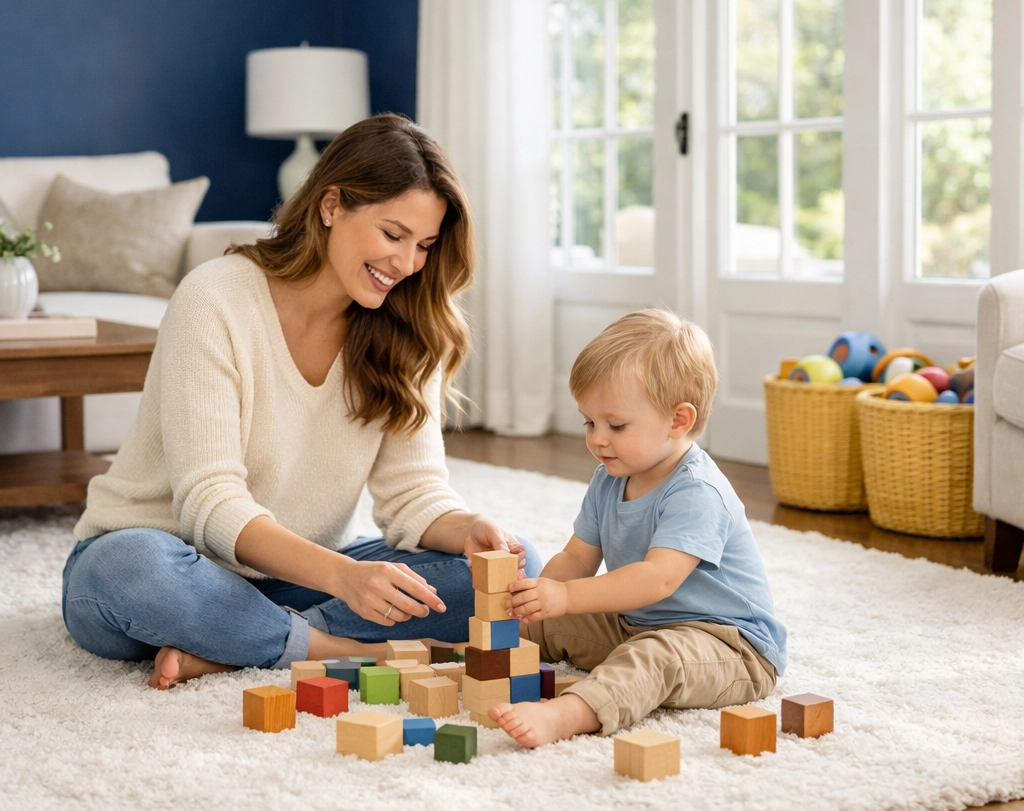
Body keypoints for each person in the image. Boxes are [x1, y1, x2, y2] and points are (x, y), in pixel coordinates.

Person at [62, 114, 539, 689]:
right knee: (127, 572)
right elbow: (208, 504)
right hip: (168, 561)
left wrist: (467, 529)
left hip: (294, 576)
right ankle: (342, 651)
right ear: (331, 204)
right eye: (393, 235)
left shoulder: (411, 328)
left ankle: (242, 643)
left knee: (516, 571)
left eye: (425, 246)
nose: (408, 264)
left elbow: (414, 496)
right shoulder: (215, 297)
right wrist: (345, 580)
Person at [489, 309, 786, 746]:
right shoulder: (610, 477)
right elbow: (577, 557)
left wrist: (567, 596)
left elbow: (657, 578)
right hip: (637, 622)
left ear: (678, 421)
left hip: (728, 646)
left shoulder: (698, 491)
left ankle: (568, 716)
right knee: (539, 626)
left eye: (616, 425)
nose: (596, 439)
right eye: (589, 422)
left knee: (649, 659)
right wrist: (536, 596)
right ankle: (465, 660)